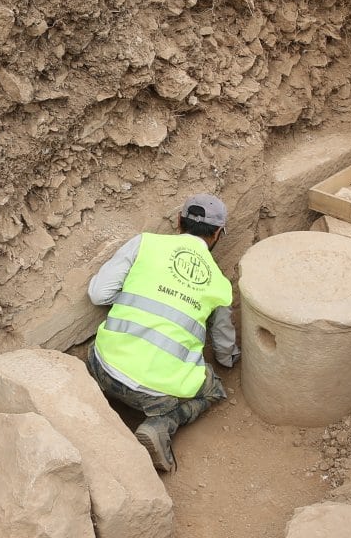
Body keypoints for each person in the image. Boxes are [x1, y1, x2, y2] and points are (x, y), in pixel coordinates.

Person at [85, 194, 240, 475]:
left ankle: (92, 398)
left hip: (101, 368)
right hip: (154, 397)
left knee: (100, 351)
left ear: (179, 221)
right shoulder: (219, 285)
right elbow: (224, 349)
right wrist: (230, 362)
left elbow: (98, 295)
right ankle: (161, 425)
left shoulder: (145, 243)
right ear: (218, 234)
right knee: (214, 388)